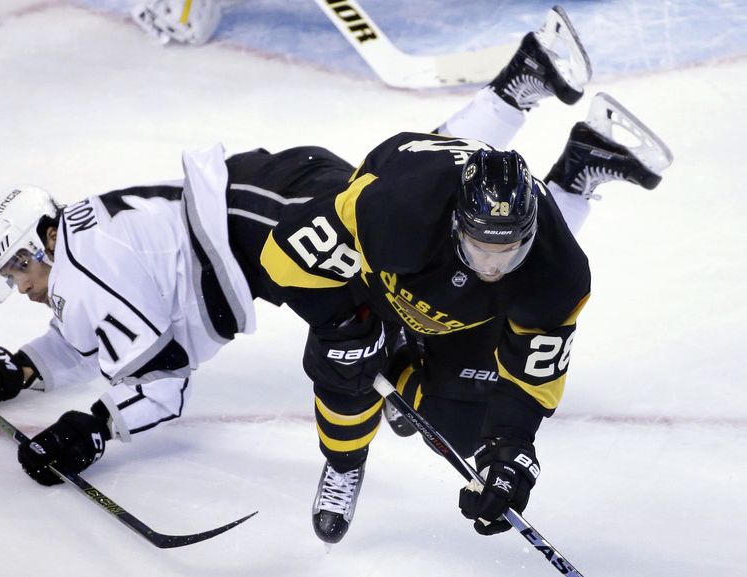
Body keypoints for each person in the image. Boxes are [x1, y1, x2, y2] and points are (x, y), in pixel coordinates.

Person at [0, 6, 670, 499]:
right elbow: (104, 337)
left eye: (15, 270)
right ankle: (554, 120)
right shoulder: (84, 255)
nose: (20, 286)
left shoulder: (85, 268)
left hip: (263, 218)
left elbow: (155, 375)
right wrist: (18, 368)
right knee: (430, 273)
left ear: (36, 244)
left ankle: (543, 111)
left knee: (437, 273)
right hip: (266, 215)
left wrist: (94, 423)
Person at [257, 7, 673, 544]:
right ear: (456, 226)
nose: (494, 267)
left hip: (452, 283)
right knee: (344, 370)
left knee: (462, 429)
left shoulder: (558, 270)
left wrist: (513, 452)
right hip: (386, 261)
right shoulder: (392, 213)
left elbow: (534, 379)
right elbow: (282, 258)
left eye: (512, 249)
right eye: (481, 248)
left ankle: (566, 148)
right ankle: (343, 461)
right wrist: (342, 325)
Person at [132, 0, 221, 46]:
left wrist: (159, 36)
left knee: (138, 11)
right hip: (199, 28)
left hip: (189, 29)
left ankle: (159, 34)